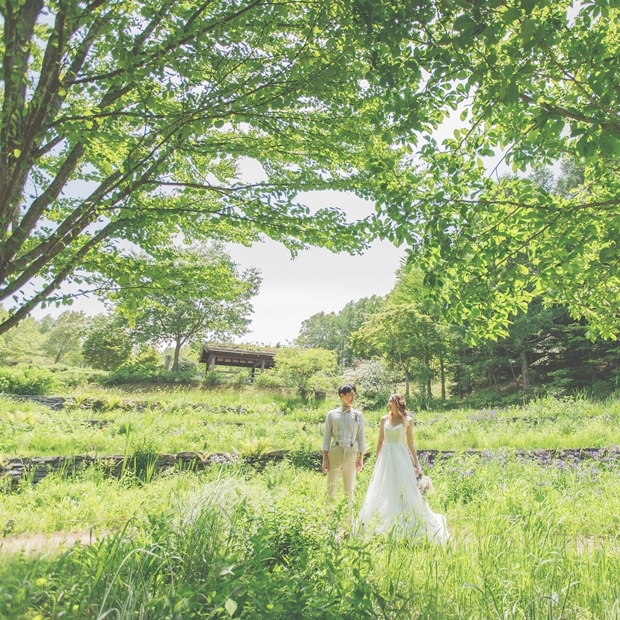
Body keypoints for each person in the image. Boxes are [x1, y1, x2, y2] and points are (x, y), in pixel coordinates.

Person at [357, 394, 449, 543]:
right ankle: (382, 522)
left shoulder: (407, 421)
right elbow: (380, 441)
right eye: (388, 401)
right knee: (384, 487)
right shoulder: (383, 420)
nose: (388, 403)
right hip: (386, 456)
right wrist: (377, 460)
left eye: (391, 401)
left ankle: (408, 522)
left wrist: (417, 464)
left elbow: (411, 444)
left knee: (404, 487)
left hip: (400, 455)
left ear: (397, 403)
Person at [322, 384, 366, 503]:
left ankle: (348, 520)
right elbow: (326, 437)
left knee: (349, 488)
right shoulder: (332, 414)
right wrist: (325, 459)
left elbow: (361, 437)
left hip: (351, 452)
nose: (353, 397)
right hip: (335, 451)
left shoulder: (358, 415)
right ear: (342, 396)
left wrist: (360, 458)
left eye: (354, 395)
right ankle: (328, 518)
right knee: (331, 487)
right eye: (350, 395)